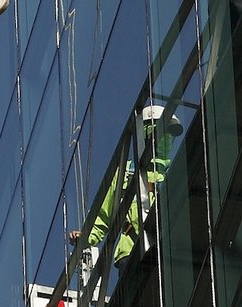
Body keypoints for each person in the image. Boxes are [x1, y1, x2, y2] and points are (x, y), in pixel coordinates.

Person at [77, 104, 179, 274]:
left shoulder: (173, 174)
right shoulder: (126, 173)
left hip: (169, 249)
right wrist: (87, 238)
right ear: (147, 131)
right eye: (165, 131)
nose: (168, 138)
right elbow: (105, 214)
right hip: (131, 251)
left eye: (171, 134)